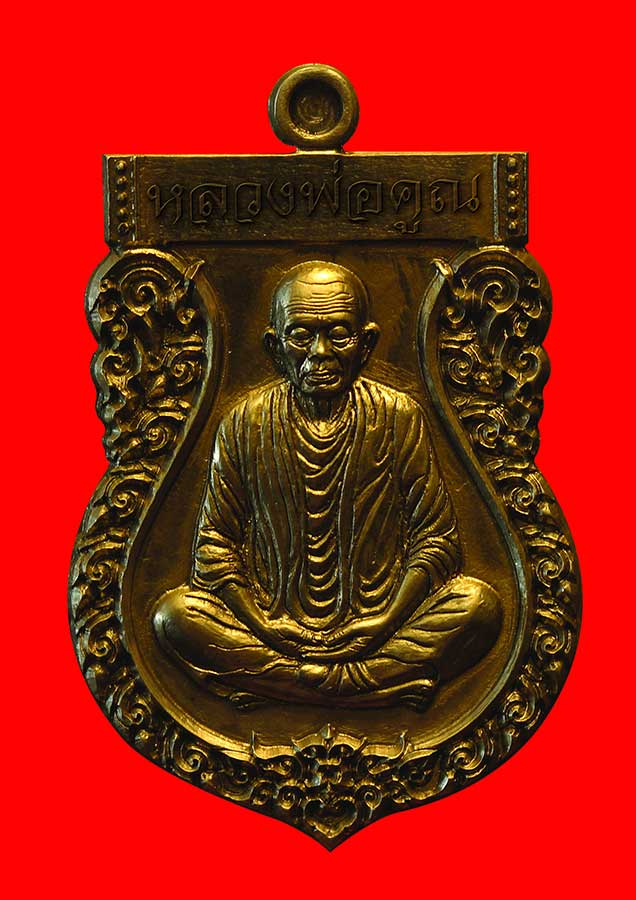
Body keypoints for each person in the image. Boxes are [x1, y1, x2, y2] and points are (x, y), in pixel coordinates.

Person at [153, 261, 501, 709]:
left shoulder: (399, 417)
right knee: (175, 616)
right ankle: (367, 689)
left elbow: (436, 541)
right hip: (272, 629)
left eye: (339, 334)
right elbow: (214, 546)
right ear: (275, 347)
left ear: (366, 344)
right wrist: (261, 624)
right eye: (301, 336)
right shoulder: (244, 422)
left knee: (478, 604)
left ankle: (288, 685)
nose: (320, 353)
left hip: (379, 628)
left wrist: (385, 621)